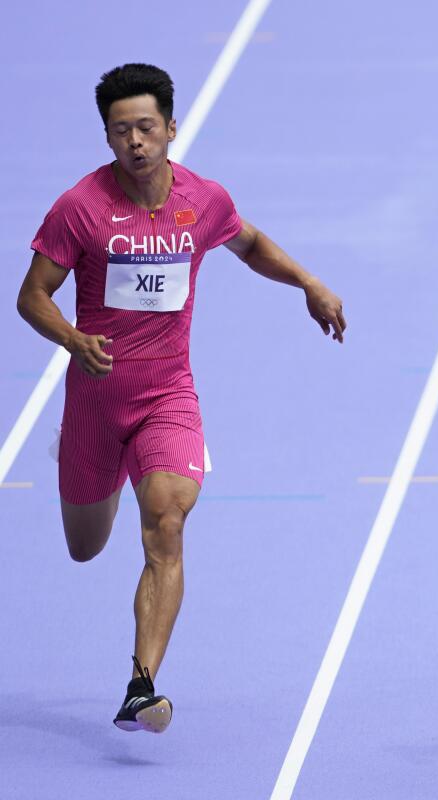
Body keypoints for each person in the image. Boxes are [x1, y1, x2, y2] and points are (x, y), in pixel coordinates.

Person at [16, 63, 346, 733]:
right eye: (119, 131)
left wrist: (309, 282)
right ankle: (98, 469)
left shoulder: (201, 199)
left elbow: (247, 243)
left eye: (145, 127)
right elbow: (31, 297)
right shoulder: (79, 208)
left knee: (167, 522)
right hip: (96, 400)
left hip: (168, 394)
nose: (134, 142)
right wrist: (76, 341)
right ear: (106, 138)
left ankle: (142, 682)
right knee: (85, 547)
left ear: (171, 128)